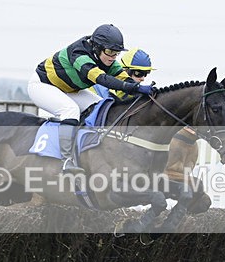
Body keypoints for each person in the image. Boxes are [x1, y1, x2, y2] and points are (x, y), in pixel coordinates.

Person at [28, 24, 154, 174]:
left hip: (68, 89)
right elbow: (102, 79)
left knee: (99, 106)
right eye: (110, 52)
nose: (113, 57)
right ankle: (66, 160)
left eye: (116, 53)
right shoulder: (79, 54)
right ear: (97, 47)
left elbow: (122, 77)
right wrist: (135, 88)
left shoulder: (106, 59)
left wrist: (146, 91)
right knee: (70, 110)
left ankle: (87, 151)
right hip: (42, 85)